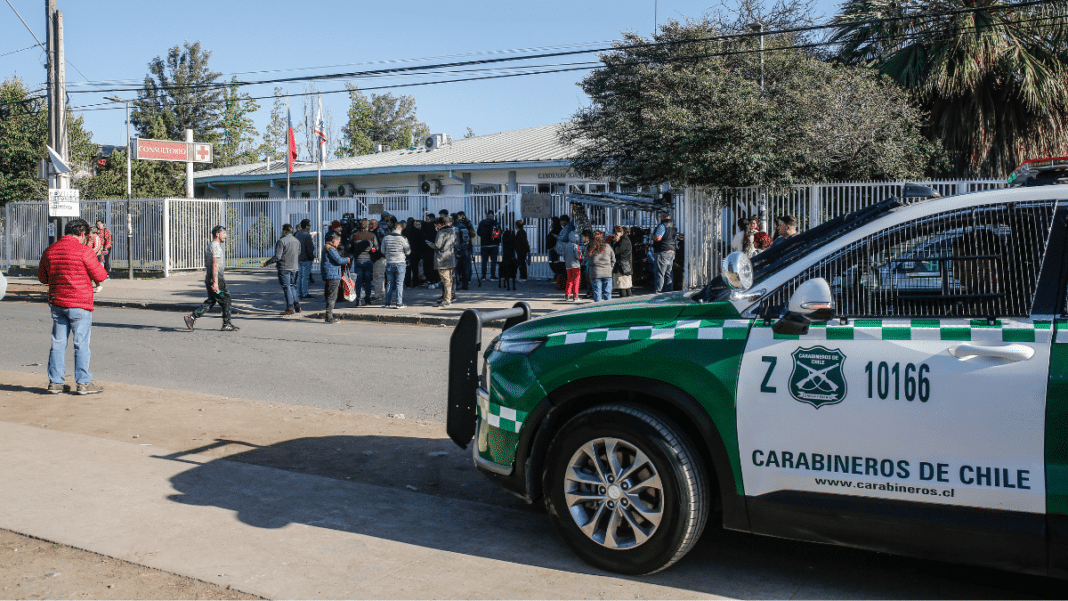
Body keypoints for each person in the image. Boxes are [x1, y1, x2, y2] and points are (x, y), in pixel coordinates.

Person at [38, 218, 108, 395]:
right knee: (81, 344)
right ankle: (83, 383)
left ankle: (55, 383)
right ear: (82, 233)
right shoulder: (84, 251)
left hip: (58, 303)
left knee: (58, 343)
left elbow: (42, 278)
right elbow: (100, 275)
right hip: (80, 304)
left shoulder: (50, 250)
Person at [185, 225, 239, 332]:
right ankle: (226, 324)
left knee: (211, 301)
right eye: (223, 233)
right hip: (216, 278)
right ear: (217, 234)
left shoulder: (211, 245)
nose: (226, 236)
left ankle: (191, 318)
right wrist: (216, 283)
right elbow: (215, 265)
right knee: (227, 300)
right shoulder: (215, 247)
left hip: (209, 278)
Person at [262, 223, 301, 315]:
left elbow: (277, 257)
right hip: (294, 267)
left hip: (284, 267)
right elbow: (298, 252)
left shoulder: (281, 241)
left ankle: (290, 308)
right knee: (292, 287)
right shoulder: (297, 241)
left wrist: (267, 263)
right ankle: (297, 306)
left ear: (284, 231)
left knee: (287, 287)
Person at [427, 215, 458, 307]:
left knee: (446, 281)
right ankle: (447, 298)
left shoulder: (440, 232)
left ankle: (447, 300)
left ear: (439, 224)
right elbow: (456, 244)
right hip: (451, 258)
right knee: (449, 280)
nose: (436, 227)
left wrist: (429, 243)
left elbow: (437, 245)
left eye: (436, 225)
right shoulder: (453, 231)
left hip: (442, 259)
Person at [381, 220, 411, 308]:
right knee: (399, 283)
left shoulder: (386, 238)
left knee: (389, 283)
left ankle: (387, 303)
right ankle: (399, 303)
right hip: (400, 263)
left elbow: (382, 250)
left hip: (389, 262)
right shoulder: (403, 238)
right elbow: (408, 252)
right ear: (398, 228)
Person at [321, 231, 348, 324]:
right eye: (338, 241)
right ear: (333, 240)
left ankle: (329, 316)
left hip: (330, 274)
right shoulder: (330, 249)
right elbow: (339, 260)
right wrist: (347, 259)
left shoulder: (327, 248)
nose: (338, 243)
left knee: (330, 296)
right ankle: (329, 317)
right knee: (332, 297)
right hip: (332, 275)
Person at [349, 219, 375, 306]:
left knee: (358, 281)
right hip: (368, 260)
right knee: (368, 281)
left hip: (358, 260)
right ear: (367, 226)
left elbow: (350, 247)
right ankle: (367, 299)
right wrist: (372, 251)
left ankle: (358, 300)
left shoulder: (354, 235)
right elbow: (376, 248)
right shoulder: (372, 235)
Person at [651, 210, 678, 293]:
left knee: (660, 273)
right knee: (669, 273)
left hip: (663, 251)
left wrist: (654, 237)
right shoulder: (673, 225)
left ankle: (658, 292)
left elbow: (658, 238)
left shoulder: (662, 225)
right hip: (671, 251)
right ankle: (669, 292)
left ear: (663, 216)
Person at [587, 230, 616, 302]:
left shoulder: (590, 248)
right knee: (608, 293)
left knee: (597, 293)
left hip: (595, 273)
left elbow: (587, 259)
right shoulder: (608, 246)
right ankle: (608, 311)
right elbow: (613, 259)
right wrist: (610, 268)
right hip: (607, 272)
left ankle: (598, 310)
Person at [294, 219, 316, 299]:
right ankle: (305, 293)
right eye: (309, 226)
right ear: (307, 227)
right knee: (305, 277)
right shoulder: (307, 235)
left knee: (300, 276)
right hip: (306, 258)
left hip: (299, 258)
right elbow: (310, 248)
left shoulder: (297, 234)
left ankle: (299, 293)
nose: (310, 227)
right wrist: (312, 257)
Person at [477, 209, 501, 280]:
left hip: (484, 245)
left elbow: (478, 233)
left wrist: (484, 237)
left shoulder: (482, 223)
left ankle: (483, 276)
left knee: (484, 261)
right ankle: (492, 276)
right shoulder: (496, 223)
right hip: (494, 245)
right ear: (493, 215)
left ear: (487, 215)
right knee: (493, 261)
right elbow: (498, 233)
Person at [611, 225, 634, 297]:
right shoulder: (624, 240)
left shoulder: (624, 240)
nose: (614, 235)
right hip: (624, 266)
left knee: (623, 287)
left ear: (620, 232)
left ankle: (625, 304)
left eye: (615, 234)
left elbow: (615, 251)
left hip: (623, 267)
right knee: (625, 286)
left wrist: (614, 242)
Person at [454, 212, 474, 290]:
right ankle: (466, 282)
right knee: (465, 267)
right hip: (465, 249)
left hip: (457, 250)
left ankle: (458, 283)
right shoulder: (465, 225)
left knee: (457, 268)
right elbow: (470, 237)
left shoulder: (454, 227)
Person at [403, 217, 425, 288]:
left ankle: (407, 284)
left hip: (406, 252)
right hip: (416, 252)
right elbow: (421, 243)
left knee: (407, 268)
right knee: (415, 269)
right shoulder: (417, 231)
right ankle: (415, 283)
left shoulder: (404, 231)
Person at [561, 230, 583, 301]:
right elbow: (578, 256)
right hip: (575, 266)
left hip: (568, 265)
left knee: (569, 281)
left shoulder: (565, 246)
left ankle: (567, 296)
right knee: (576, 281)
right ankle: (575, 297)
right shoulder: (576, 246)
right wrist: (581, 255)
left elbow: (564, 256)